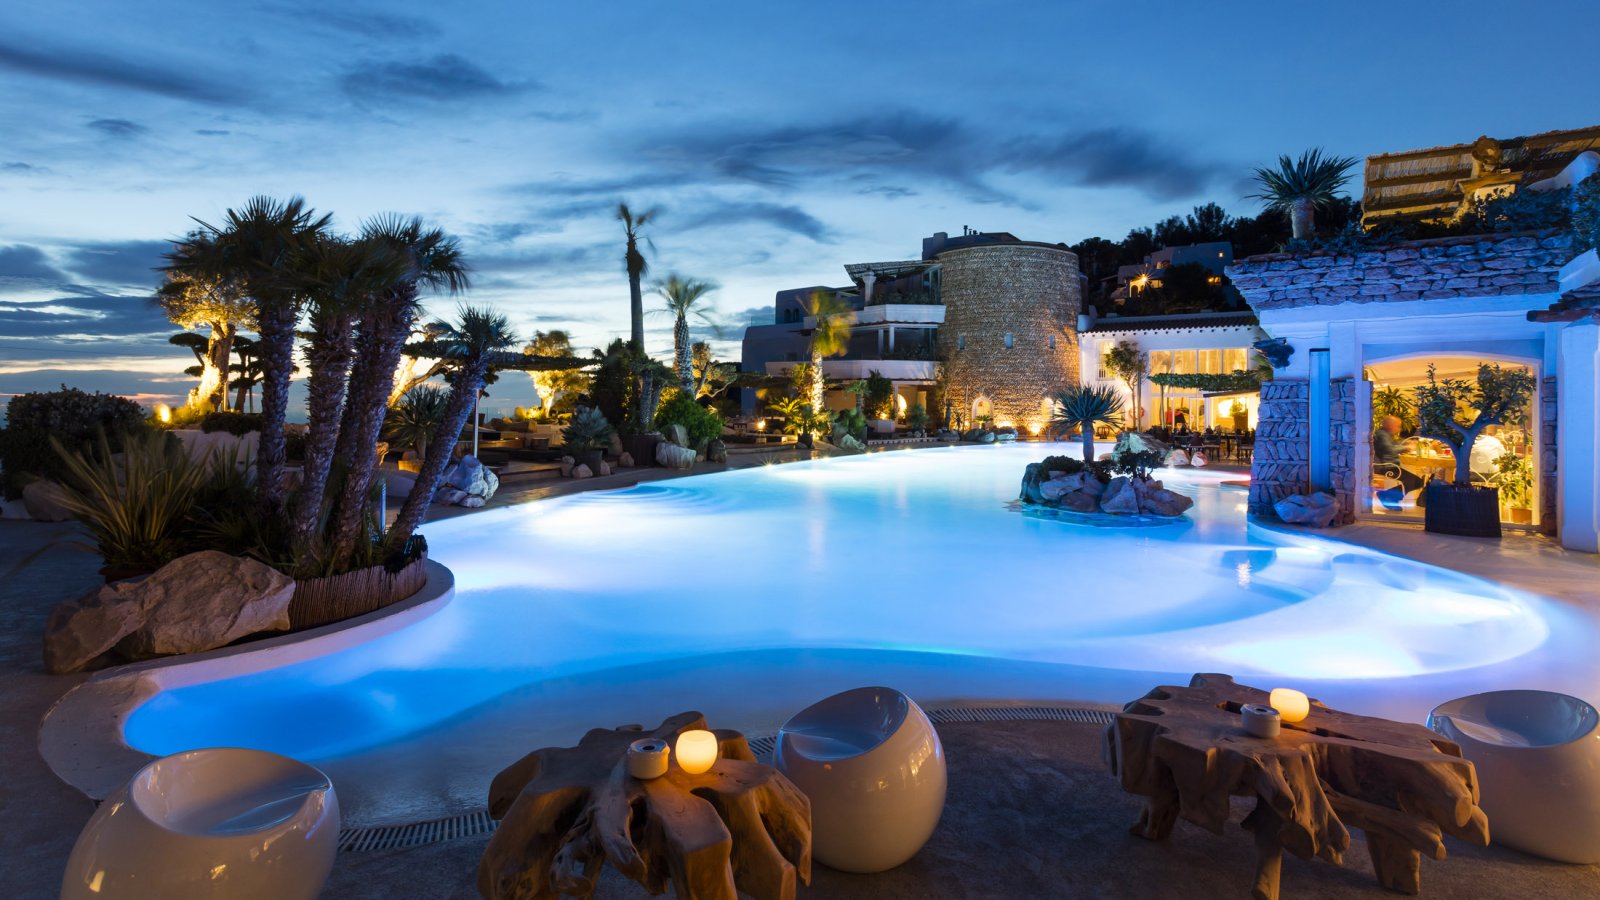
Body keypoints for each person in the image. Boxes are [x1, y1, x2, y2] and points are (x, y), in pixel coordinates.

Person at [1373, 415, 1423, 507]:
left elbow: (1392, 444)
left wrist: (1406, 443)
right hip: (1386, 467)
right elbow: (1389, 449)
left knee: (1416, 481)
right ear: (1390, 425)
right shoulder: (1382, 435)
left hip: (1390, 465)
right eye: (1398, 426)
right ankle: (1387, 496)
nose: (1399, 429)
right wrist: (1407, 447)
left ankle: (1389, 496)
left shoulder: (1385, 434)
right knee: (1416, 481)